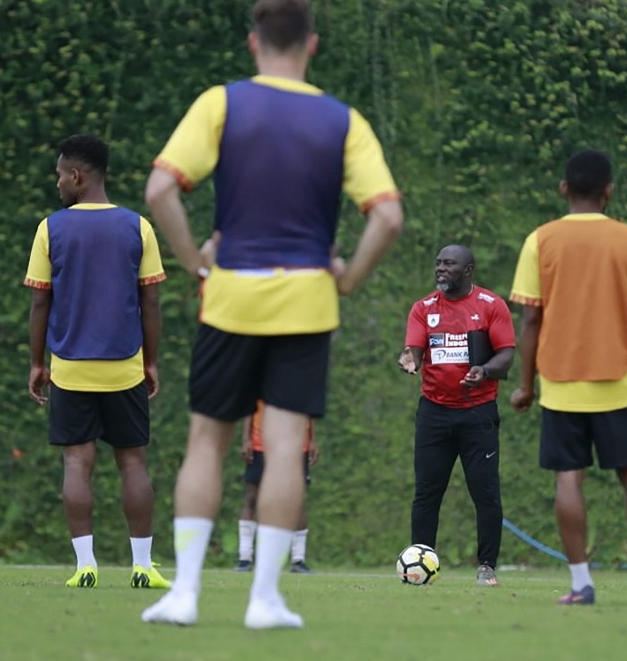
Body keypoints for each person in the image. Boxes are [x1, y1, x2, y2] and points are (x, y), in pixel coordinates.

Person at [140, 0, 403, 629]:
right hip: (309, 303)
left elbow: (159, 189)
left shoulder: (220, 103)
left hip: (230, 296)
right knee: (284, 451)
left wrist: (196, 263)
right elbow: (388, 216)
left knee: (206, 441)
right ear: (311, 45)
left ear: (253, 43)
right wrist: (348, 278)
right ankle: (264, 601)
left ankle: (185, 594)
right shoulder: (344, 120)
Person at [509, 149, 627, 607]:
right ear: (609, 191)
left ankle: (581, 585)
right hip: (617, 380)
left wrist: (525, 386)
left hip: (560, 384)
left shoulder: (539, 241)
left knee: (568, 478)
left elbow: (530, 322)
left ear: (564, 189)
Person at [24, 134, 170, 590]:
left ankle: (85, 565)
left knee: (76, 464)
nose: (57, 185)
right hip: (125, 364)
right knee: (133, 465)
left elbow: (39, 305)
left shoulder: (51, 228)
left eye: (59, 176)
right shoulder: (138, 227)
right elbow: (151, 303)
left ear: (76, 176)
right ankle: (142, 567)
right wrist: (150, 362)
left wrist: (37, 363)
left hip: (70, 366)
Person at [399, 245, 515, 587]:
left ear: (468, 270)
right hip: (434, 412)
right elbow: (415, 350)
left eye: (449, 264)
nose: (440, 269)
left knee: (485, 492)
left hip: (478, 413)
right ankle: (421, 565)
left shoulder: (491, 306)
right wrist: (410, 359)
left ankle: (487, 566)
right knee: (426, 492)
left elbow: (506, 355)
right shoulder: (423, 309)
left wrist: (485, 369)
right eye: (438, 264)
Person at [236, 400, 318, 574]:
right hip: (260, 440)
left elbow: (309, 406)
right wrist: (246, 438)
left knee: (296, 499)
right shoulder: (260, 373)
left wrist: (312, 440)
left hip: (296, 442)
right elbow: (250, 405)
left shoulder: (301, 374)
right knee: (253, 496)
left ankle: (298, 559)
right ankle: (245, 557)